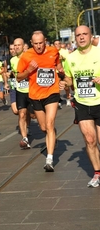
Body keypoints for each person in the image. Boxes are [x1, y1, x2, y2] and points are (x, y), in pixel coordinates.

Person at [17, 31, 63, 172]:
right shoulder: (26, 56)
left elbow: (58, 65)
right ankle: (51, 134)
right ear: (31, 43)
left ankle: (49, 159)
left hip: (51, 92)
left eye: (41, 43)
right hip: (36, 95)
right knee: (44, 128)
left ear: (45, 41)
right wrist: (29, 70)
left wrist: (61, 73)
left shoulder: (53, 51)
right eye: (35, 43)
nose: (38, 46)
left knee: (49, 124)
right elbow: (18, 77)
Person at [60, 25, 100, 187]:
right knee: (90, 140)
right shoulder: (71, 58)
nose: (82, 37)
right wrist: (65, 83)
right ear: (75, 38)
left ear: (91, 36)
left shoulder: (99, 52)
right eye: (78, 35)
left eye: (85, 34)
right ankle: (97, 173)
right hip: (82, 103)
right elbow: (70, 79)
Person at [11, 38, 33, 149]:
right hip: (20, 91)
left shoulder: (29, 57)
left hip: (32, 90)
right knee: (22, 114)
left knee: (33, 115)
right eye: (15, 45)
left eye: (19, 45)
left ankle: (50, 132)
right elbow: (14, 77)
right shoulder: (12, 60)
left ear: (23, 46)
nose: (16, 47)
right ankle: (25, 138)